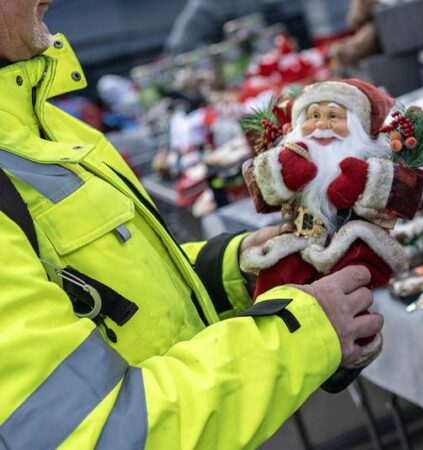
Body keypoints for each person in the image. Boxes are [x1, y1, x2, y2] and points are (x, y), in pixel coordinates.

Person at [0, 1, 383, 448]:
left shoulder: (43, 121)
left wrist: (234, 270)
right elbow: (99, 434)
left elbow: (108, 291)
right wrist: (309, 333)